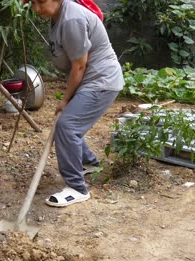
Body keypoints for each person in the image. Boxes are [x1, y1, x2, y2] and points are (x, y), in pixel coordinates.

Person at [29, 0, 124, 207]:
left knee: (67, 126)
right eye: (32, 3)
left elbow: (79, 65)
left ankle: (77, 188)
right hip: (90, 80)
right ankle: (88, 163)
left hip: (101, 81)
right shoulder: (58, 15)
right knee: (67, 125)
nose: (36, 9)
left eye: (41, 2)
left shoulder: (72, 19)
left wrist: (65, 99)